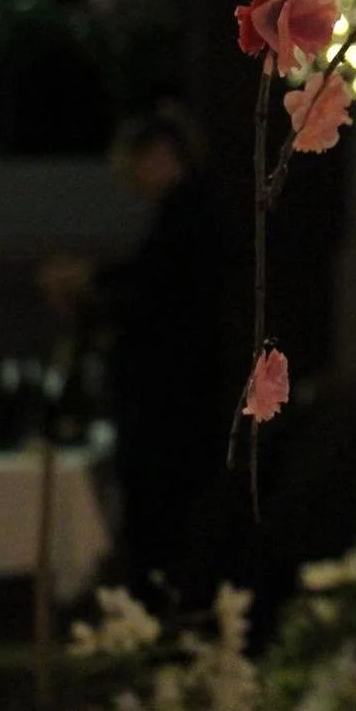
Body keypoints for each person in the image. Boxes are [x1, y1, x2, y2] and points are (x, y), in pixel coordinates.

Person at [99, 106, 233, 599]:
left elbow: (152, 292)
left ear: (158, 156)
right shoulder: (191, 216)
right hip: (180, 402)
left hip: (169, 406)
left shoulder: (187, 220)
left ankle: (163, 616)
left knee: (162, 523)